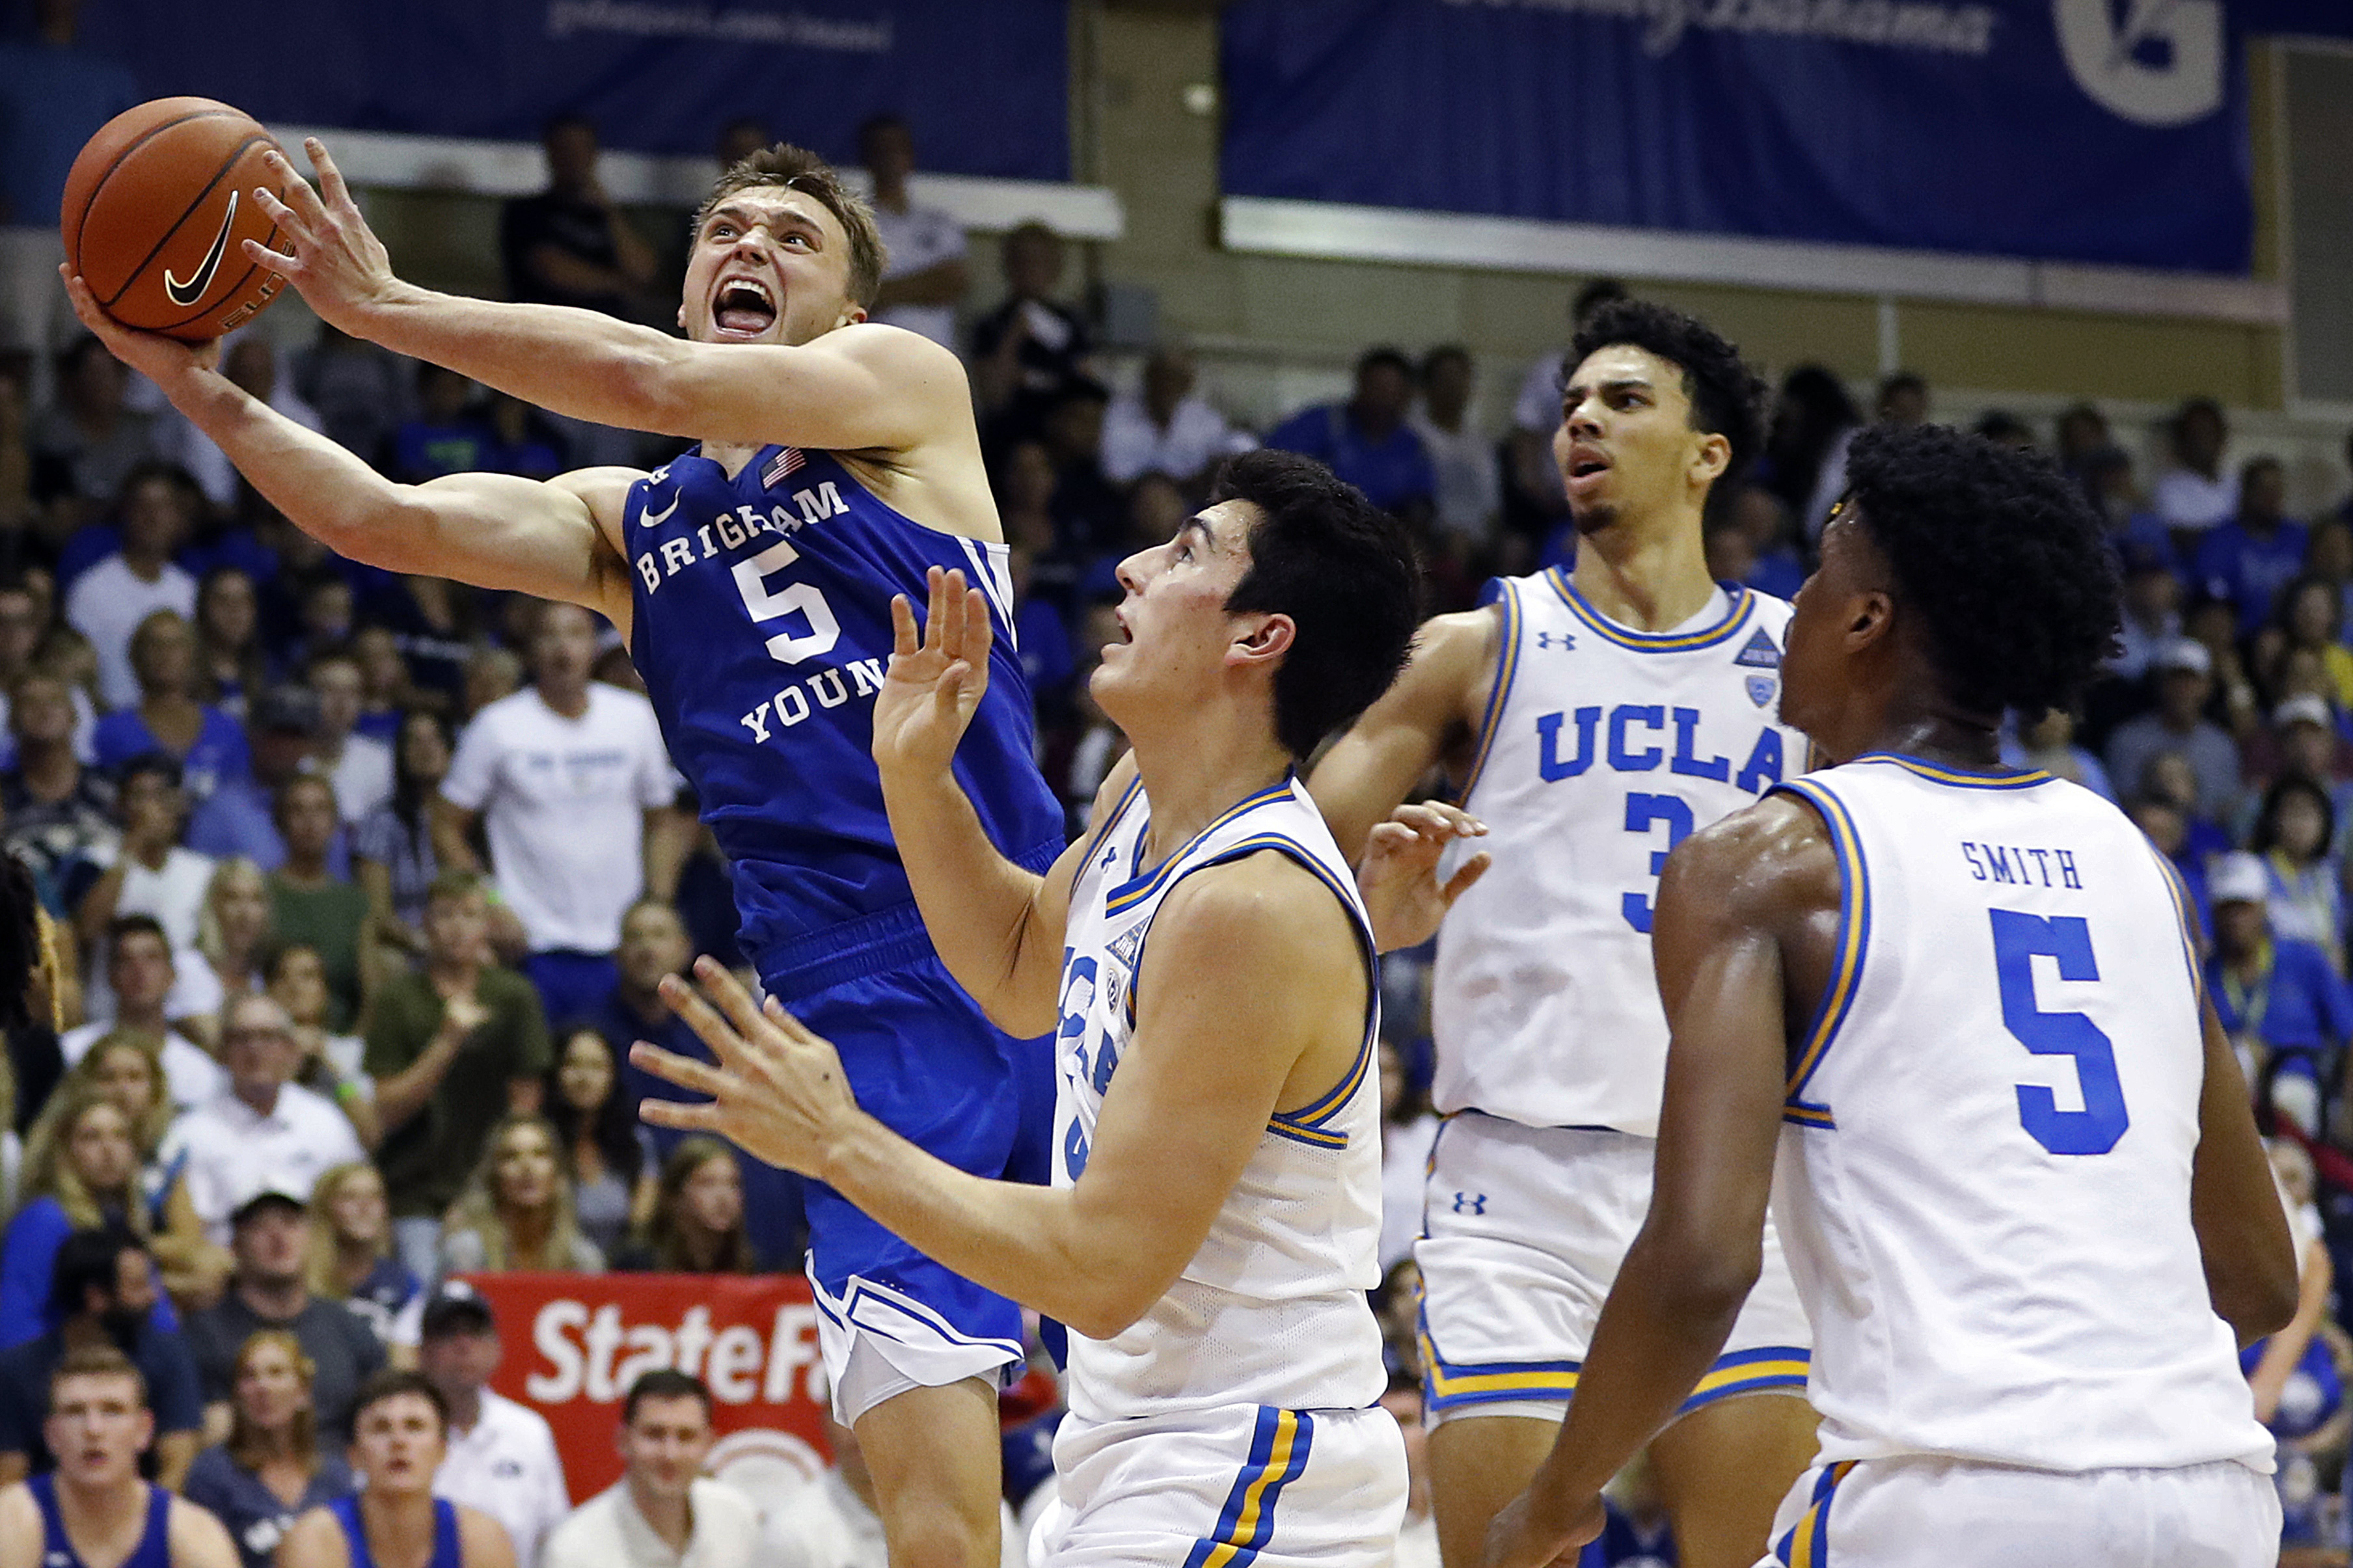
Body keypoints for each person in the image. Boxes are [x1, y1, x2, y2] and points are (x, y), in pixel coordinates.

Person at [70, 133, 1070, 1568]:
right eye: (725, 228)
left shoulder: (906, 395)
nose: (750, 248)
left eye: (795, 238)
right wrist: (188, 380)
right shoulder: (629, 524)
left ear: (848, 319)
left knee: (1187, 1400)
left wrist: (383, 307)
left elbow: (647, 384)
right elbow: (381, 517)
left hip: (1043, 930)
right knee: (938, 1508)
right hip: (859, 1007)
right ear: (682, 284)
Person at [1482, 421, 2297, 1567]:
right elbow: (2258, 1282)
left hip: (1953, 1496)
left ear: (1866, 620)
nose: (1795, 598)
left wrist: (1560, 1495)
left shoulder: (1767, 868)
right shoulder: (2140, 871)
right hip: (2212, 1497)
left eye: (1820, 574)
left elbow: (1704, 1261)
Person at [635, 448, 1422, 1563]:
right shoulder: (1140, 799)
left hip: (1249, 1474)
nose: (1132, 567)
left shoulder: (1249, 906)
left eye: (1186, 551)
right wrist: (915, 780)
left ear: (1260, 636)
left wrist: (840, 1142)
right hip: (1145, 1461)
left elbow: (1098, 1272)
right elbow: (1014, 971)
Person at [1307, 299, 1815, 1568]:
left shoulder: (1803, 662)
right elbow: (1282, 868)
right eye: (1571, 401)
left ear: (1706, 454)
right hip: (1515, 1176)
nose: (1579, 417)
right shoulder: (1479, 645)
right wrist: (1373, 915)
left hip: (1732, 1171)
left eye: (1624, 399)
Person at [432, 603, 678, 1026]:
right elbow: (444, 825)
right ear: (530, 650)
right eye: (550, 636)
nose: (563, 648)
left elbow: (662, 821)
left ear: (593, 648)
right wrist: (490, 904)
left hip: (621, 943)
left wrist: (657, 901)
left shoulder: (634, 718)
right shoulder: (497, 725)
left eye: (576, 635)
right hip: (532, 941)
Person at [363, 871, 550, 1281]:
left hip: (499, 1193)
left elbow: (525, 1107)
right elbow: (387, 1110)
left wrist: (477, 1197)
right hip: (417, 1194)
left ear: (487, 925)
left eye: (468, 915)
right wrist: (447, 1042)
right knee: (433, 1304)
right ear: (426, 925)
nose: (456, 928)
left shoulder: (514, 996)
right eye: (444, 915)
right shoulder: (398, 999)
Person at [184, 1181, 384, 1450]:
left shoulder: (350, 1328)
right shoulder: (202, 1333)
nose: (278, 1237)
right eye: (261, 1227)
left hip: (341, 1476)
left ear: (310, 1238)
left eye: (290, 1223)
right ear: (234, 1245)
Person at [0, 1230, 206, 1487]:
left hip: (144, 1509)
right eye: (138, 1286)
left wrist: (145, 1524)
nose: (153, 1296)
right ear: (96, 1297)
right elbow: (9, 1479)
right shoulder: (18, 1370)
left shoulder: (167, 1353)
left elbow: (178, 1462)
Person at [0, 1346, 236, 1568]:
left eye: (112, 1411)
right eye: (75, 1412)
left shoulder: (194, 1533)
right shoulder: (11, 1521)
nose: (93, 1429)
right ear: (51, 1434)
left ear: (144, 1430)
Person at [162, 994, 365, 1245]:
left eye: (268, 1037)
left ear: (291, 1049)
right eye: (242, 1038)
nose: (255, 1048)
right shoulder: (189, 1133)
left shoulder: (326, 1122)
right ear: (222, 1052)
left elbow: (358, 1205)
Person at [275, 1369, 515, 1568]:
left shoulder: (481, 1538)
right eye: (381, 1428)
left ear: (443, 1451)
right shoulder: (314, 1540)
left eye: (414, 1426)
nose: (398, 1441)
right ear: (354, 1455)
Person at [413, 1285, 568, 1568]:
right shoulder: (402, 1432)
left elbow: (555, 1540)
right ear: (423, 1352)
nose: (464, 1345)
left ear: (496, 1347)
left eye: (475, 1332)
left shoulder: (529, 1432)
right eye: (448, 1333)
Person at [538, 1371, 757, 1568]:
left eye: (686, 1436)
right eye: (654, 1434)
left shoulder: (736, 1517)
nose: (670, 1455)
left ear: (709, 1445)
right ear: (623, 1441)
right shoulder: (573, 1551)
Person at [182, 1331, 357, 1568]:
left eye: (276, 1373)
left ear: (303, 1391)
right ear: (238, 1393)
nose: (263, 1386)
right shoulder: (212, 1475)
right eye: (250, 1376)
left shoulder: (336, 1475)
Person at [499, 115, 660, 323]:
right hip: (547, 325)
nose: (573, 158)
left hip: (611, 329)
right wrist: (620, 285)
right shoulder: (526, 212)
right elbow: (554, 271)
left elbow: (643, 272)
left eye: (581, 149)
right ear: (550, 153)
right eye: (566, 148)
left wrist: (610, 214)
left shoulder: (612, 215)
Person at [64, 463, 198, 710]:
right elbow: (76, 672)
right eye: (143, 506)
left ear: (179, 517)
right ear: (125, 512)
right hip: (108, 719)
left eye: (163, 507)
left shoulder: (190, 590)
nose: (153, 517)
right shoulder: (91, 590)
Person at [58, 915, 226, 1105]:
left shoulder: (199, 1070)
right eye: (127, 960)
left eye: (151, 959)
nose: (139, 970)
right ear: (111, 976)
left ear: (172, 975)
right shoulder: (72, 1051)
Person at [90, 612, 252, 805]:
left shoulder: (226, 728)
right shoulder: (111, 730)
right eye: (155, 645)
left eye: (175, 645)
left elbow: (243, 797)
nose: (165, 653)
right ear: (137, 656)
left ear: (192, 655)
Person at [1264, 347, 1437, 521]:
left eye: (1392, 392)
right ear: (1360, 384)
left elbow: (1421, 501)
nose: (1382, 400)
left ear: (1406, 396)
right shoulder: (1322, 424)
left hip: (1382, 535)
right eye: (1377, 388)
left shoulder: (1411, 445)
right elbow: (1271, 471)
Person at [435, 1112, 605, 1275]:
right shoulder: (466, 1253)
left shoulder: (582, 1260)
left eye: (540, 1154)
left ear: (558, 1174)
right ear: (493, 1176)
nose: (527, 1167)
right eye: (511, 1156)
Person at [352, 709, 452, 974]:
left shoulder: (471, 821)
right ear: (401, 755)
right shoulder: (383, 821)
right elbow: (378, 914)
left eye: (434, 740)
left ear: (450, 750)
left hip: (463, 939)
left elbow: (489, 888)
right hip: (410, 944)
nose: (425, 749)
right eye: (415, 741)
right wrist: (423, 943)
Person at [265, 776, 369, 1030]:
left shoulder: (354, 902)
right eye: (298, 810)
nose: (310, 821)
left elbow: (371, 993)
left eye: (320, 810)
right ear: (280, 821)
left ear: (335, 823)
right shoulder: (261, 894)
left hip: (341, 1039)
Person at [857, 115, 966, 353]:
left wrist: (884, 291)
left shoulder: (940, 223)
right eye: (881, 149)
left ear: (911, 155)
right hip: (877, 358)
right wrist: (925, 285)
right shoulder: (855, 224)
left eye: (897, 148)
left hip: (937, 356)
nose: (890, 157)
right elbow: (857, 299)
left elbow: (952, 284)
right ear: (867, 158)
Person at [542, 1025, 649, 1260]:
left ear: (613, 1075)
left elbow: (642, 1227)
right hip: (551, 1267)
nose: (584, 1077)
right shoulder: (537, 1140)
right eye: (573, 1064)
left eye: (596, 1067)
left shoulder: (636, 1144)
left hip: (617, 1272)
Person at [305, 1163, 424, 1358]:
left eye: (374, 1197)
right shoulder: (300, 1280)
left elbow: (405, 1361)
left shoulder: (404, 1283)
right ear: (325, 1208)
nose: (365, 1207)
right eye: (350, 1197)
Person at [1098, 345, 1248, 493]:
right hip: (1128, 498)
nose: (1168, 386)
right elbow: (1115, 472)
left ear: (1189, 383)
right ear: (1149, 377)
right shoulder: (1119, 413)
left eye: (1177, 379)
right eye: (1163, 377)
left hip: (1188, 499)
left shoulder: (1205, 419)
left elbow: (1232, 452)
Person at [609, 1137, 757, 1274]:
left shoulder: (753, 1268)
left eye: (733, 1184)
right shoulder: (638, 1264)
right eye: (707, 1183)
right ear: (675, 1196)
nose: (724, 1197)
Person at [305, 651, 395, 826]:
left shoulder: (380, 761)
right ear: (309, 695)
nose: (341, 701)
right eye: (329, 690)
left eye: (351, 692)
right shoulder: (287, 758)